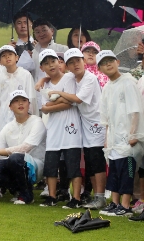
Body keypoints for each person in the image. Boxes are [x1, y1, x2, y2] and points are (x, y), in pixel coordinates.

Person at [48, 48, 107, 210]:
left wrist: (59, 93)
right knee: (90, 163)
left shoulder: (90, 78)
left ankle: (100, 197)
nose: (76, 65)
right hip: (85, 126)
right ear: (67, 66)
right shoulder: (72, 78)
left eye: (78, 61)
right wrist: (42, 80)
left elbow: (79, 99)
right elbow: (55, 76)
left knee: (97, 162)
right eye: (71, 63)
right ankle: (97, 197)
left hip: (98, 124)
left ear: (83, 61)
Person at [96, 50, 144, 217]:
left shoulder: (128, 82)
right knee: (114, 171)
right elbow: (106, 117)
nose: (108, 64)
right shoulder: (107, 87)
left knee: (126, 172)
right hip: (114, 137)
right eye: (103, 63)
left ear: (117, 61)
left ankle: (125, 205)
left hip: (127, 137)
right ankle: (114, 203)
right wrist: (107, 138)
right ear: (100, 69)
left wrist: (133, 134)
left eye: (110, 60)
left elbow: (135, 110)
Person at [0, 90, 46, 205]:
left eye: (23, 101)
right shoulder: (8, 127)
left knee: (16, 157)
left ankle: (27, 196)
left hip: (36, 167)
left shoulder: (37, 122)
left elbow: (25, 148)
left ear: (29, 104)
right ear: (10, 106)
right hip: (14, 164)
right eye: (16, 101)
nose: (20, 104)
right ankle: (17, 190)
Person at [38, 49, 83, 208]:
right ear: (42, 67)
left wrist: (51, 106)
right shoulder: (44, 84)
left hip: (71, 128)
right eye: (46, 63)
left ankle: (76, 199)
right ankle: (52, 197)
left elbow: (71, 102)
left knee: (72, 165)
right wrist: (53, 104)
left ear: (59, 62)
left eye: (53, 61)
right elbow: (42, 107)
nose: (51, 65)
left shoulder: (69, 78)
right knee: (51, 165)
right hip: (54, 129)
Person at [0, 45, 37, 130]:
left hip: (23, 115)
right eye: (3, 56)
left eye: (10, 54)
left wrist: (32, 118)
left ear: (17, 58)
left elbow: (31, 98)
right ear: (0, 62)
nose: (7, 57)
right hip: (4, 116)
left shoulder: (25, 75)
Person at [31, 18, 68, 111]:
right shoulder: (33, 53)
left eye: (44, 30)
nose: (41, 34)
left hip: (59, 95)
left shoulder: (63, 49)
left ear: (52, 31)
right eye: (37, 32)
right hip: (39, 95)